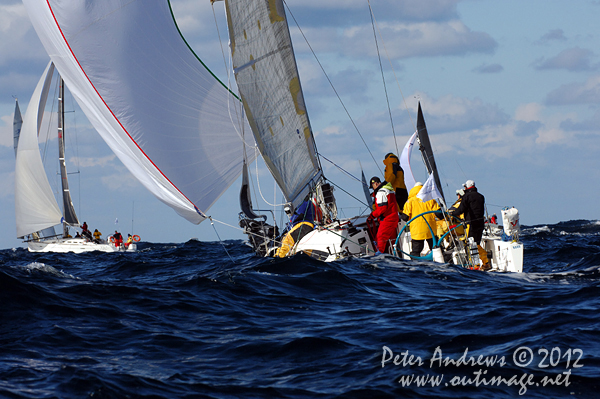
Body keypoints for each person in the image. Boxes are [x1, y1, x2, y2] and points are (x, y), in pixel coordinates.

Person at [449, 180, 490, 270]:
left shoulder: (466, 197)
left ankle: (476, 265)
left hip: (471, 224)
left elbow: (461, 209)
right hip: (480, 223)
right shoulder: (481, 196)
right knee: (477, 243)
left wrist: (452, 213)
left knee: (472, 244)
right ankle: (485, 262)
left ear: (466, 187)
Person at [400, 183, 440, 257]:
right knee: (436, 249)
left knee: (416, 252)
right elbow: (439, 214)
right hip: (430, 230)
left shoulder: (410, 201)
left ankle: (416, 266)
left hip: (417, 231)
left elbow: (405, 217)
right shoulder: (430, 199)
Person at [368, 176, 400, 254]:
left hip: (387, 219)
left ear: (375, 184)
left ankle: (380, 256)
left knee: (380, 238)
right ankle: (393, 254)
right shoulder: (389, 190)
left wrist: (372, 216)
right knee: (391, 239)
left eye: (372, 187)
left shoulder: (381, 192)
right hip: (394, 218)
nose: (373, 189)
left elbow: (382, 209)